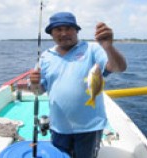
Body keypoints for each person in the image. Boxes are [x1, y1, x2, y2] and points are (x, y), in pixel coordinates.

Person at [29, 12, 127, 158]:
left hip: (89, 128)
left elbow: (119, 68)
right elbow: (38, 91)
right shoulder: (45, 56)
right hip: (58, 127)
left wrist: (109, 48)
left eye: (68, 28)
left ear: (77, 30)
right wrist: (34, 84)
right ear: (51, 34)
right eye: (58, 29)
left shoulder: (92, 49)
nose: (63, 33)